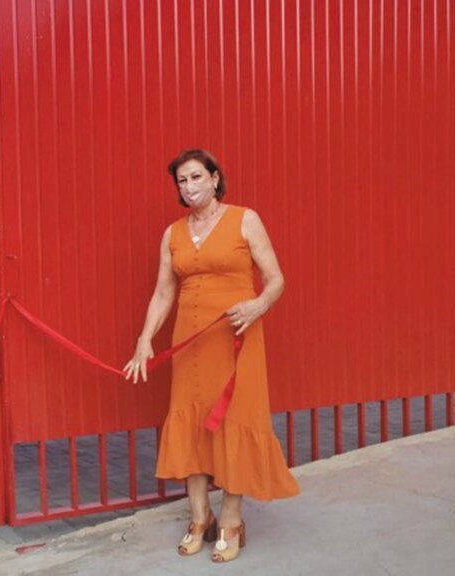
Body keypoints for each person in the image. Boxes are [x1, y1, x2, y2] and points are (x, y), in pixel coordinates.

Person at [124, 149, 299, 563]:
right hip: (191, 341)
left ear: (215, 178)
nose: (189, 187)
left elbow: (275, 280)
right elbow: (164, 291)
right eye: (181, 181)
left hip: (235, 339)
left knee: (232, 420)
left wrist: (257, 306)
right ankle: (200, 518)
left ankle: (232, 521)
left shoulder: (245, 219)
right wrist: (144, 339)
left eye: (196, 177)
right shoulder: (173, 234)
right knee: (192, 423)